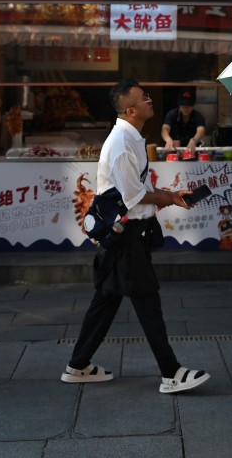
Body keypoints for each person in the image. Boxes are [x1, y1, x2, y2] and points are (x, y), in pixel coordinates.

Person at [62, 78, 209, 394]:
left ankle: (78, 364)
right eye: (144, 98)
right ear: (130, 109)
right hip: (126, 235)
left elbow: (138, 190)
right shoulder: (121, 143)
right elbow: (132, 197)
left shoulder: (129, 138)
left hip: (126, 233)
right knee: (146, 301)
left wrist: (169, 194)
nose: (150, 101)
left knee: (107, 299)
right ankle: (171, 373)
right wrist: (168, 198)